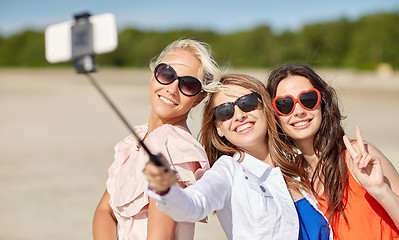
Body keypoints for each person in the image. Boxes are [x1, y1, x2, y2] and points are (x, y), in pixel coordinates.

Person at [144, 73, 332, 240]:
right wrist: (166, 189)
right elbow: (193, 205)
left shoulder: (298, 167)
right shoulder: (228, 171)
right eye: (225, 112)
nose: (239, 115)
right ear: (219, 128)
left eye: (247, 103)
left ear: (265, 107)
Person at [92, 39, 221, 240]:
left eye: (188, 84)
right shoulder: (136, 139)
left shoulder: (174, 146)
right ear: (153, 75)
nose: (172, 88)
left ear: (199, 98)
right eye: (166, 74)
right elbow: (104, 212)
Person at [266, 64, 399, 239]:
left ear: (322, 103)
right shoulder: (293, 177)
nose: (299, 111)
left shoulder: (357, 156)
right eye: (285, 104)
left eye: (308, 99)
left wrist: (381, 190)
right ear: (274, 115)